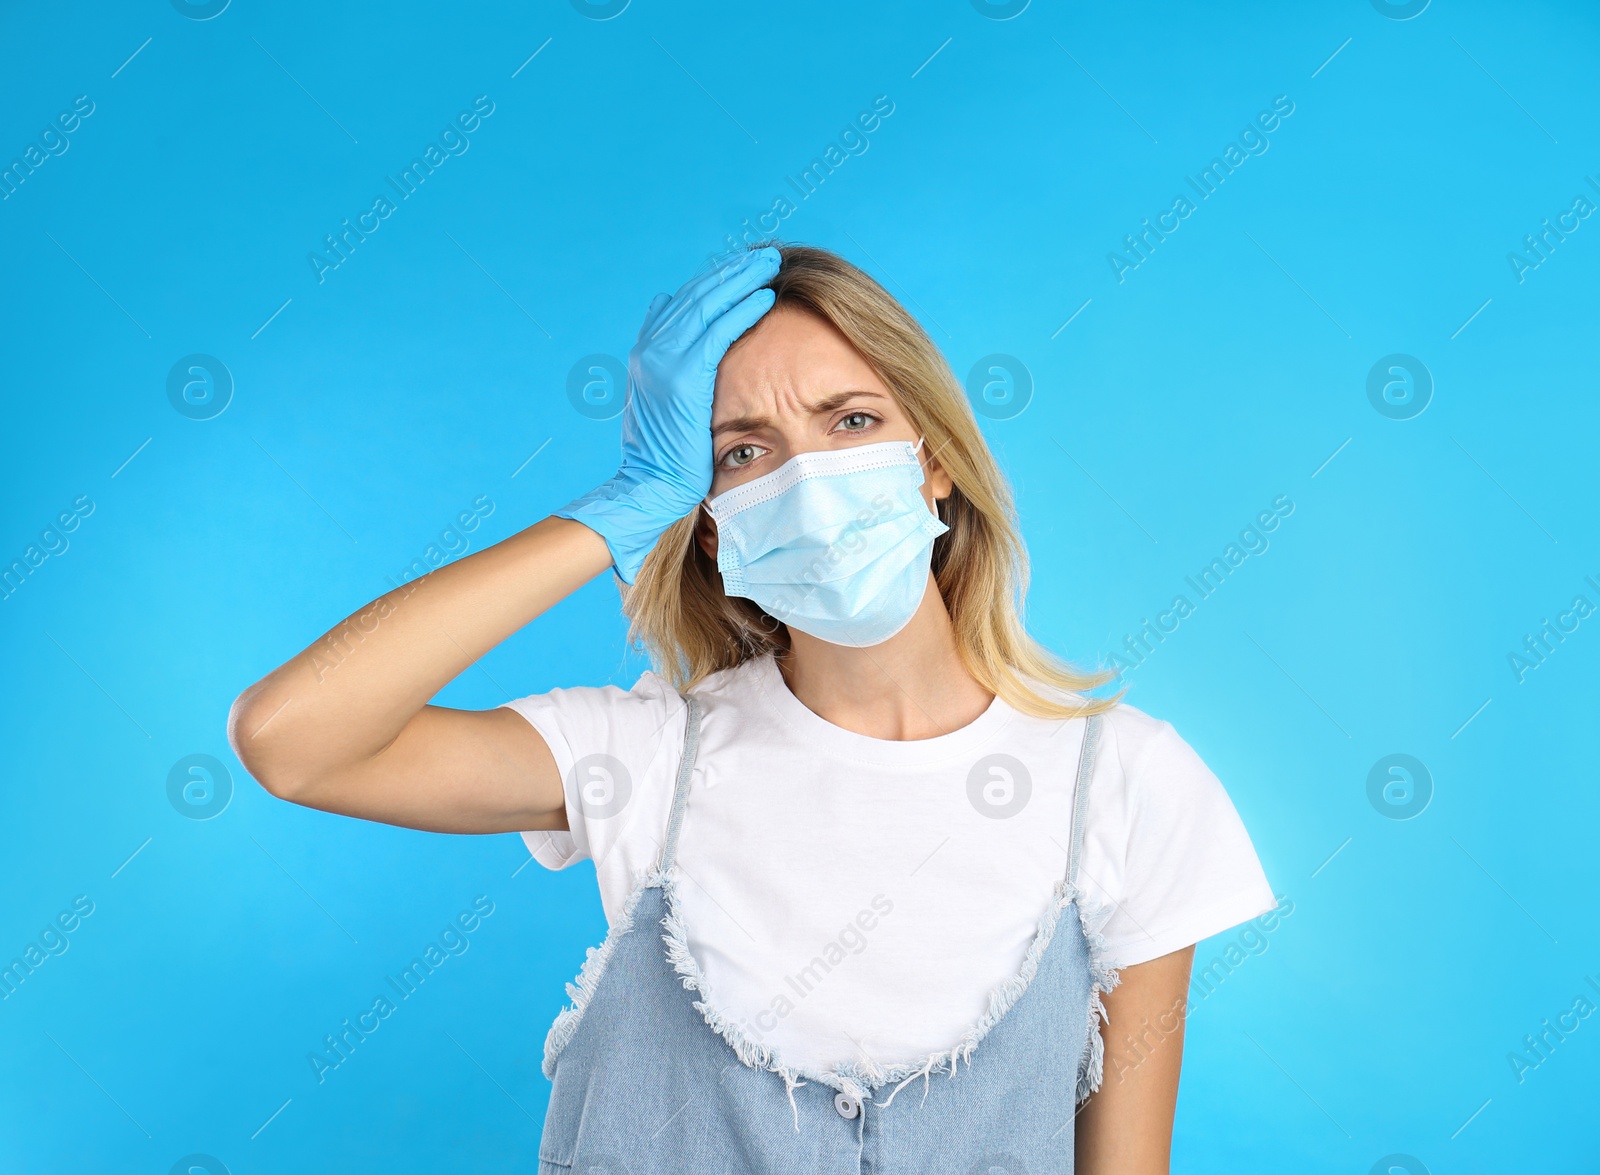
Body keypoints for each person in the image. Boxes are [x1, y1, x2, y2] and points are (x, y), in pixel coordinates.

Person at [229, 243, 1277, 1173]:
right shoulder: (640, 755)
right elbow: (292, 741)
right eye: (743, 450)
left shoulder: (1126, 781)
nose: (808, 476)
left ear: (937, 465)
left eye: (851, 420)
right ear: (714, 525)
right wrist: (616, 510)